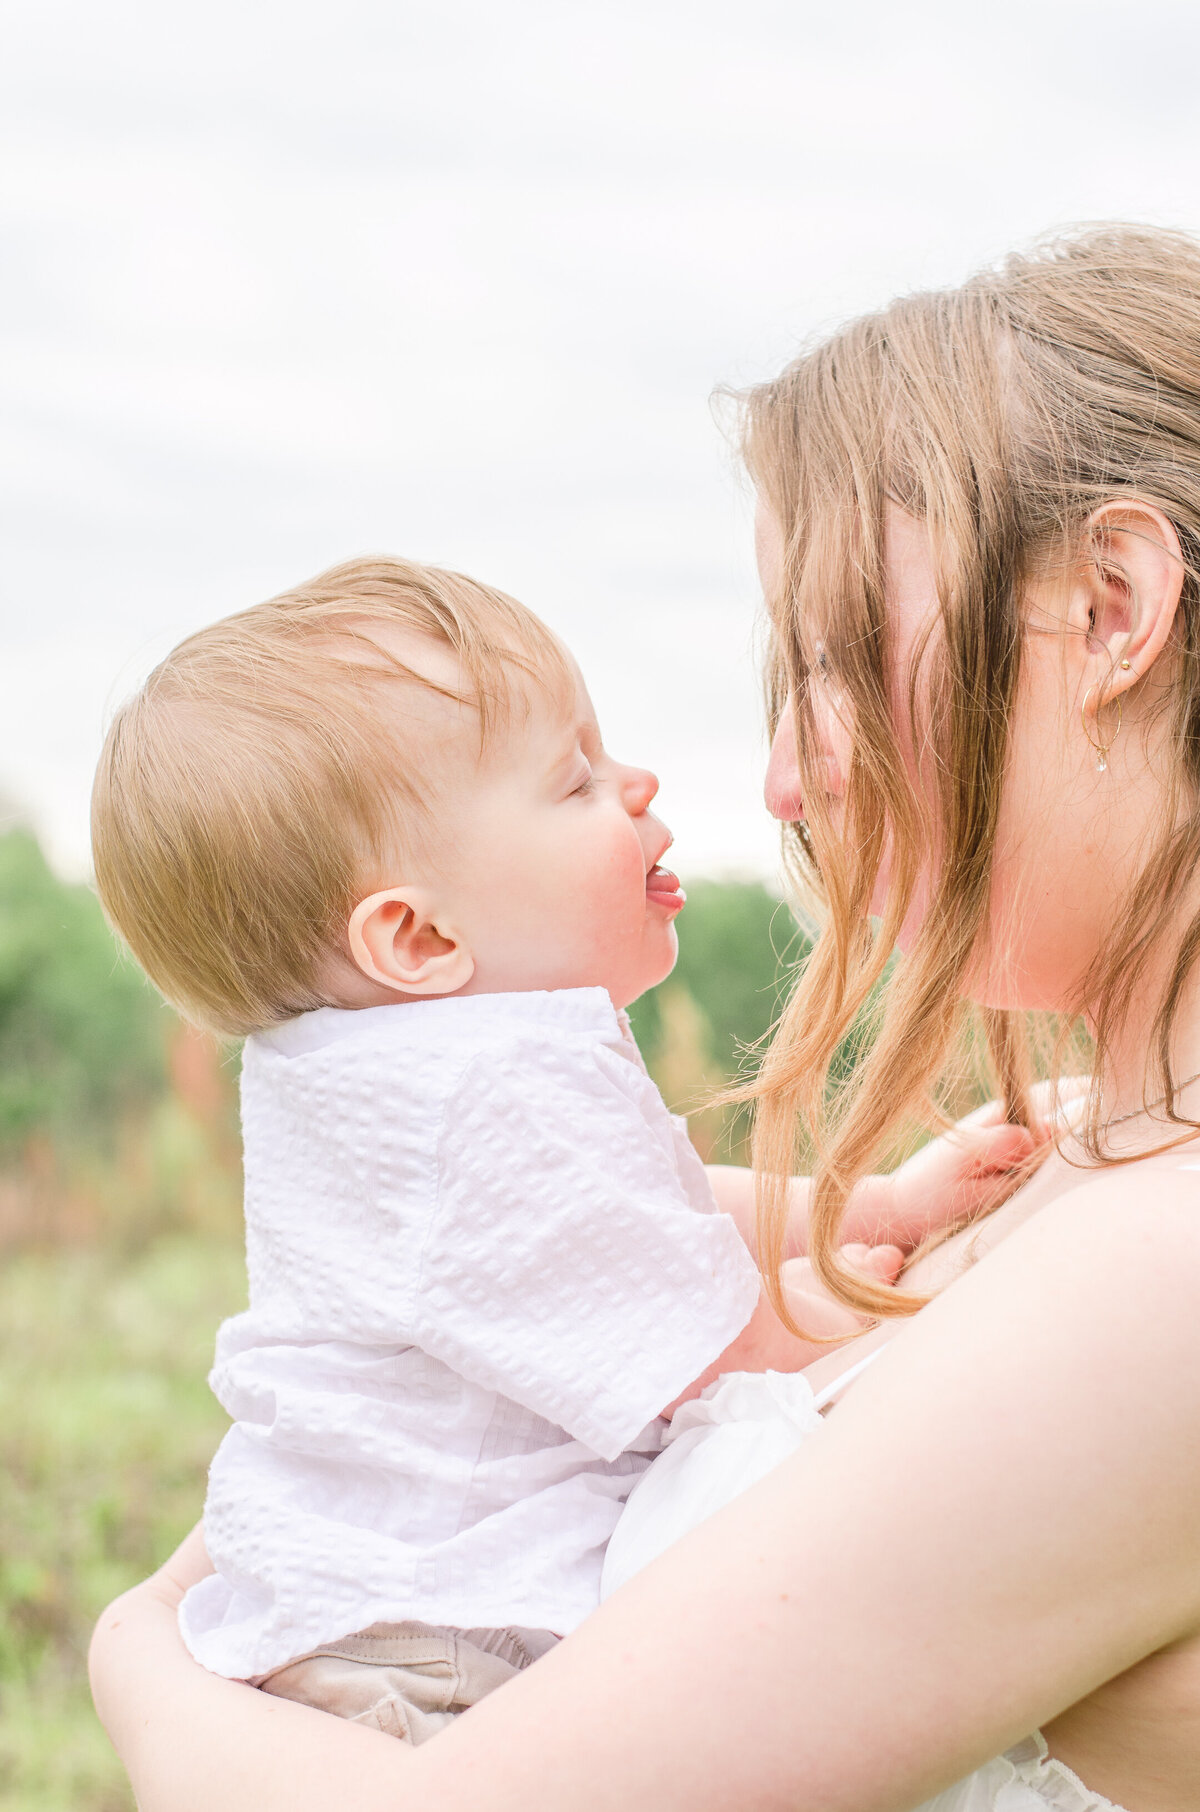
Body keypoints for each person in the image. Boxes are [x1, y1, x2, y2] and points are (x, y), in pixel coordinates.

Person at [89, 223, 1200, 1812]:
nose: (782, 783)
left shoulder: (1161, 1268)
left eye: (829, 657)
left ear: (1113, 606)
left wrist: (135, 1651)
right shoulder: (1094, 1154)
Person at [88, 557, 1013, 1744]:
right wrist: (838, 1306)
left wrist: (869, 1208)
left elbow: (653, 1220)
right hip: (434, 1654)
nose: (637, 784)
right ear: (418, 935)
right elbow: (692, 1342)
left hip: (364, 1614)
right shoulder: (478, 1093)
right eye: (575, 784)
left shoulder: (401, 1068)